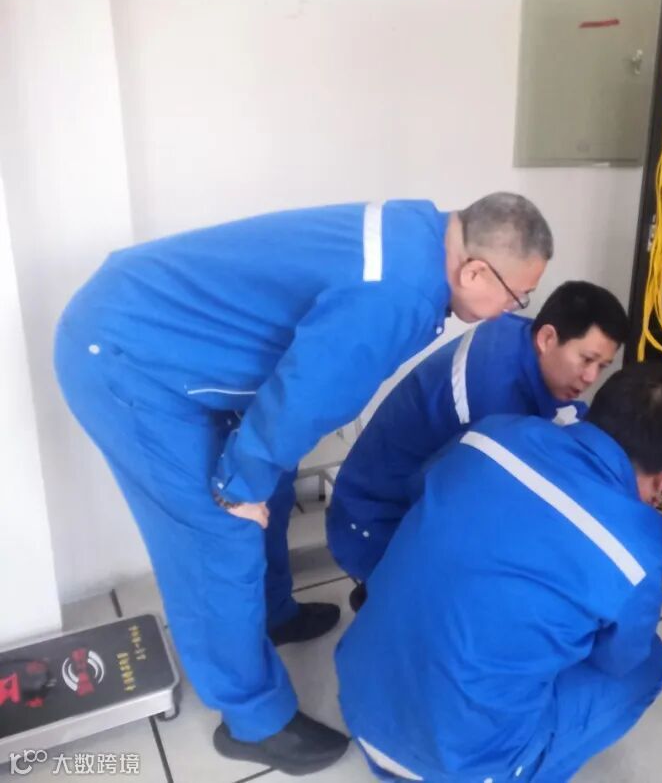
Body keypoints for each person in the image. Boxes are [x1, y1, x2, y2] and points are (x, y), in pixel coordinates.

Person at [53, 193, 552, 775]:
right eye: (517, 296)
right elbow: (306, 396)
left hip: (172, 338)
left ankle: (271, 613)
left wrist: (258, 475)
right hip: (128, 358)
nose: (510, 312)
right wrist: (238, 486)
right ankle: (253, 721)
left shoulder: (423, 234)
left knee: (271, 482)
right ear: (474, 271)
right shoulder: (397, 294)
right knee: (219, 533)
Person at [335, 363, 662, 782]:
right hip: (456, 764)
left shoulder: (490, 434)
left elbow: (421, 493)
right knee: (648, 664)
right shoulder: (637, 547)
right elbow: (618, 660)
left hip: (357, 697)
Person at [327, 280, 630, 611]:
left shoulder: (523, 342)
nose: (591, 378)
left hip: (404, 496)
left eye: (602, 366)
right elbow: (477, 506)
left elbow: (565, 422)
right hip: (375, 519)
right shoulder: (492, 394)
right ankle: (386, 592)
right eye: (587, 359)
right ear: (547, 338)